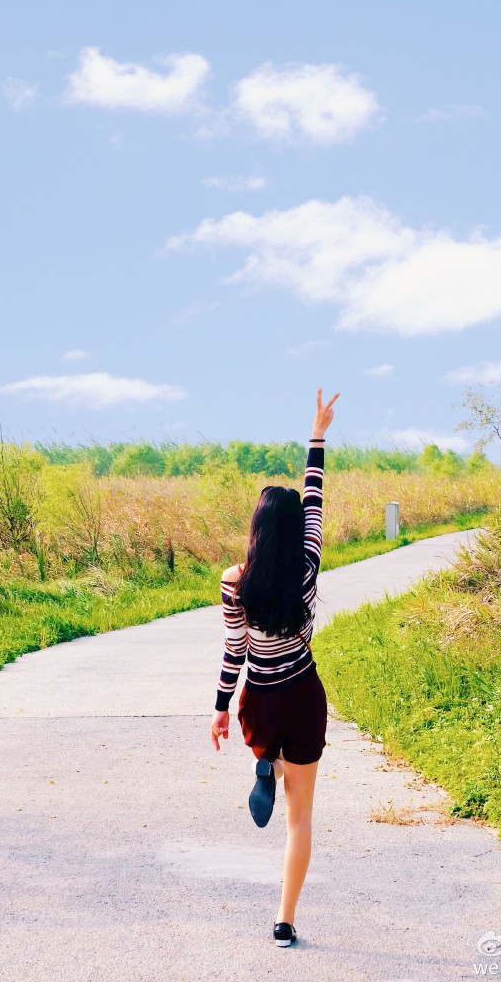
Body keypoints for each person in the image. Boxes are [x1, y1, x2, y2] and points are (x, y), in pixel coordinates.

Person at [210, 387, 340, 948]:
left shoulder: (235, 580)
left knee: (272, 753)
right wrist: (318, 434)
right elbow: (314, 499)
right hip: (303, 694)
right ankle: (284, 921)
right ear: (296, 533)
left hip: (258, 701)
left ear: (257, 529)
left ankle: (267, 762)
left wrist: (220, 711)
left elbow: (233, 652)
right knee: (300, 819)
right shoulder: (307, 566)